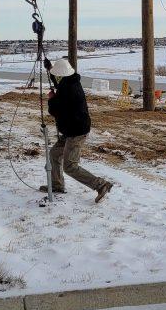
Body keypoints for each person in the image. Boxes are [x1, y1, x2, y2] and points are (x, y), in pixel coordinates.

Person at [41, 57, 113, 203]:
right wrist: (50, 69)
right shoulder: (70, 80)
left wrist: (51, 99)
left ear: (63, 75)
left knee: (70, 166)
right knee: (54, 154)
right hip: (70, 129)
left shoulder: (69, 91)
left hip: (76, 132)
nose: (57, 77)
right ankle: (57, 185)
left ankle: (101, 184)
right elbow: (58, 81)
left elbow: (55, 110)